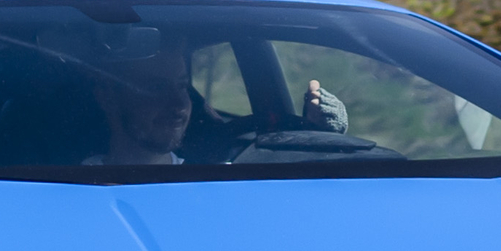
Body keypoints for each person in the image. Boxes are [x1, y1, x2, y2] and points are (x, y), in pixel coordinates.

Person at [83, 37, 348, 165]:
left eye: (183, 86)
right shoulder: (70, 187)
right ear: (108, 97)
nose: (178, 104)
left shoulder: (221, 172)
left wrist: (323, 141)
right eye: (155, 88)